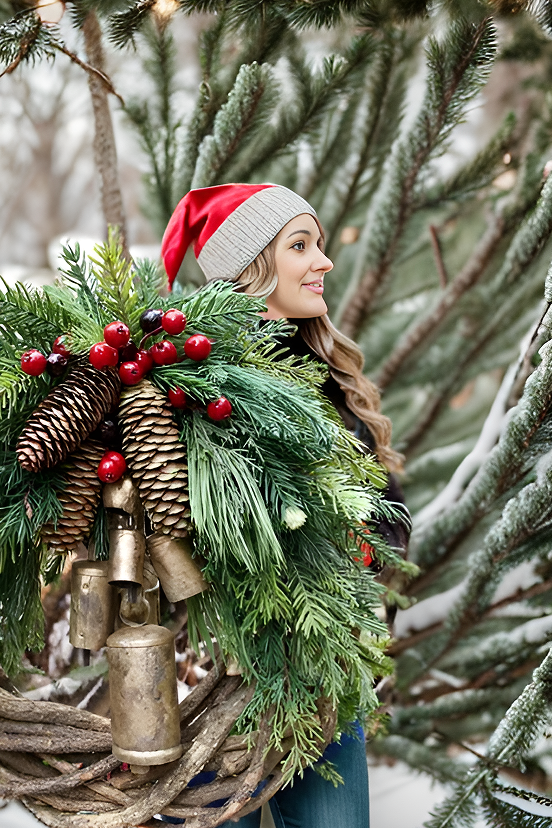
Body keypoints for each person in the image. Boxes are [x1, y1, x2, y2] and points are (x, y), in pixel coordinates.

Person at [160, 184, 410, 828]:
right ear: (250, 268)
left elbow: (390, 516)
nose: (324, 261)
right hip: (207, 668)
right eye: (301, 245)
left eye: (319, 244)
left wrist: (357, 549)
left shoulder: (329, 377)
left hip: (324, 666)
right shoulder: (193, 379)